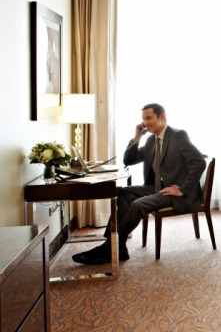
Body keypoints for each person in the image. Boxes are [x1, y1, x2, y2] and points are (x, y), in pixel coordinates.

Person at [72, 103, 206, 265]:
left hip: (175, 192)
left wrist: (182, 189)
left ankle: (111, 247)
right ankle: (118, 246)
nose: (145, 123)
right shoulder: (151, 140)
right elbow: (128, 160)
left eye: (149, 118)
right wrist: (137, 137)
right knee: (123, 193)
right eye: (143, 119)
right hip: (156, 188)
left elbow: (199, 162)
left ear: (162, 117)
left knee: (138, 205)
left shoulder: (177, 136)